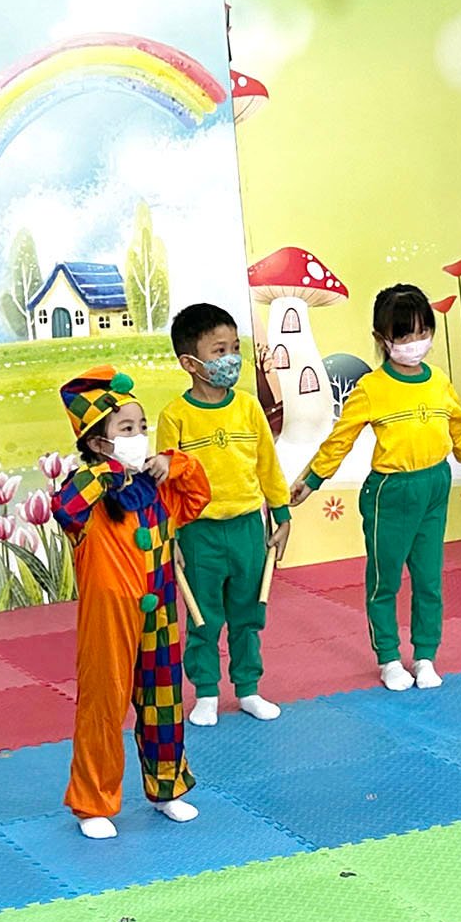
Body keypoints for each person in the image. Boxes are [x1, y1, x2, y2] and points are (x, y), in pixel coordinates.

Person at [289, 284, 461, 690]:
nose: (415, 342)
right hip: (390, 493)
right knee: (385, 581)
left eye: (423, 332)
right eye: (404, 335)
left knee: (429, 579)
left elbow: (457, 426)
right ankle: (387, 657)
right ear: (382, 338)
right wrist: (312, 479)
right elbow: (340, 440)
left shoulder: (438, 382)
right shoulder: (372, 389)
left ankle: (425, 655)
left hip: (435, 485)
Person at [55, 367, 211, 839]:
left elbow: (198, 495)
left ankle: (168, 788)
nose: (139, 436)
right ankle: (92, 802)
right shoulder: (88, 491)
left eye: (142, 426)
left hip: (160, 607)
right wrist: (108, 472)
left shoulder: (155, 489)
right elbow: (65, 507)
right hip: (110, 614)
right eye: (126, 429)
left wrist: (174, 463)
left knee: (165, 700)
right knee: (103, 704)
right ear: (98, 442)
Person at [155, 304, 292, 725]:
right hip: (199, 535)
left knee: (249, 614)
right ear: (190, 363)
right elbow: (165, 485)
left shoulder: (249, 408)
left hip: (249, 528)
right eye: (219, 351)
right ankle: (207, 693)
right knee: (203, 618)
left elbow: (268, 465)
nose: (231, 358)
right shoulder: (174, 416)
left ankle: (248, 688)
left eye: (235, 348)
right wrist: (170, 538)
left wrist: (282, 515)